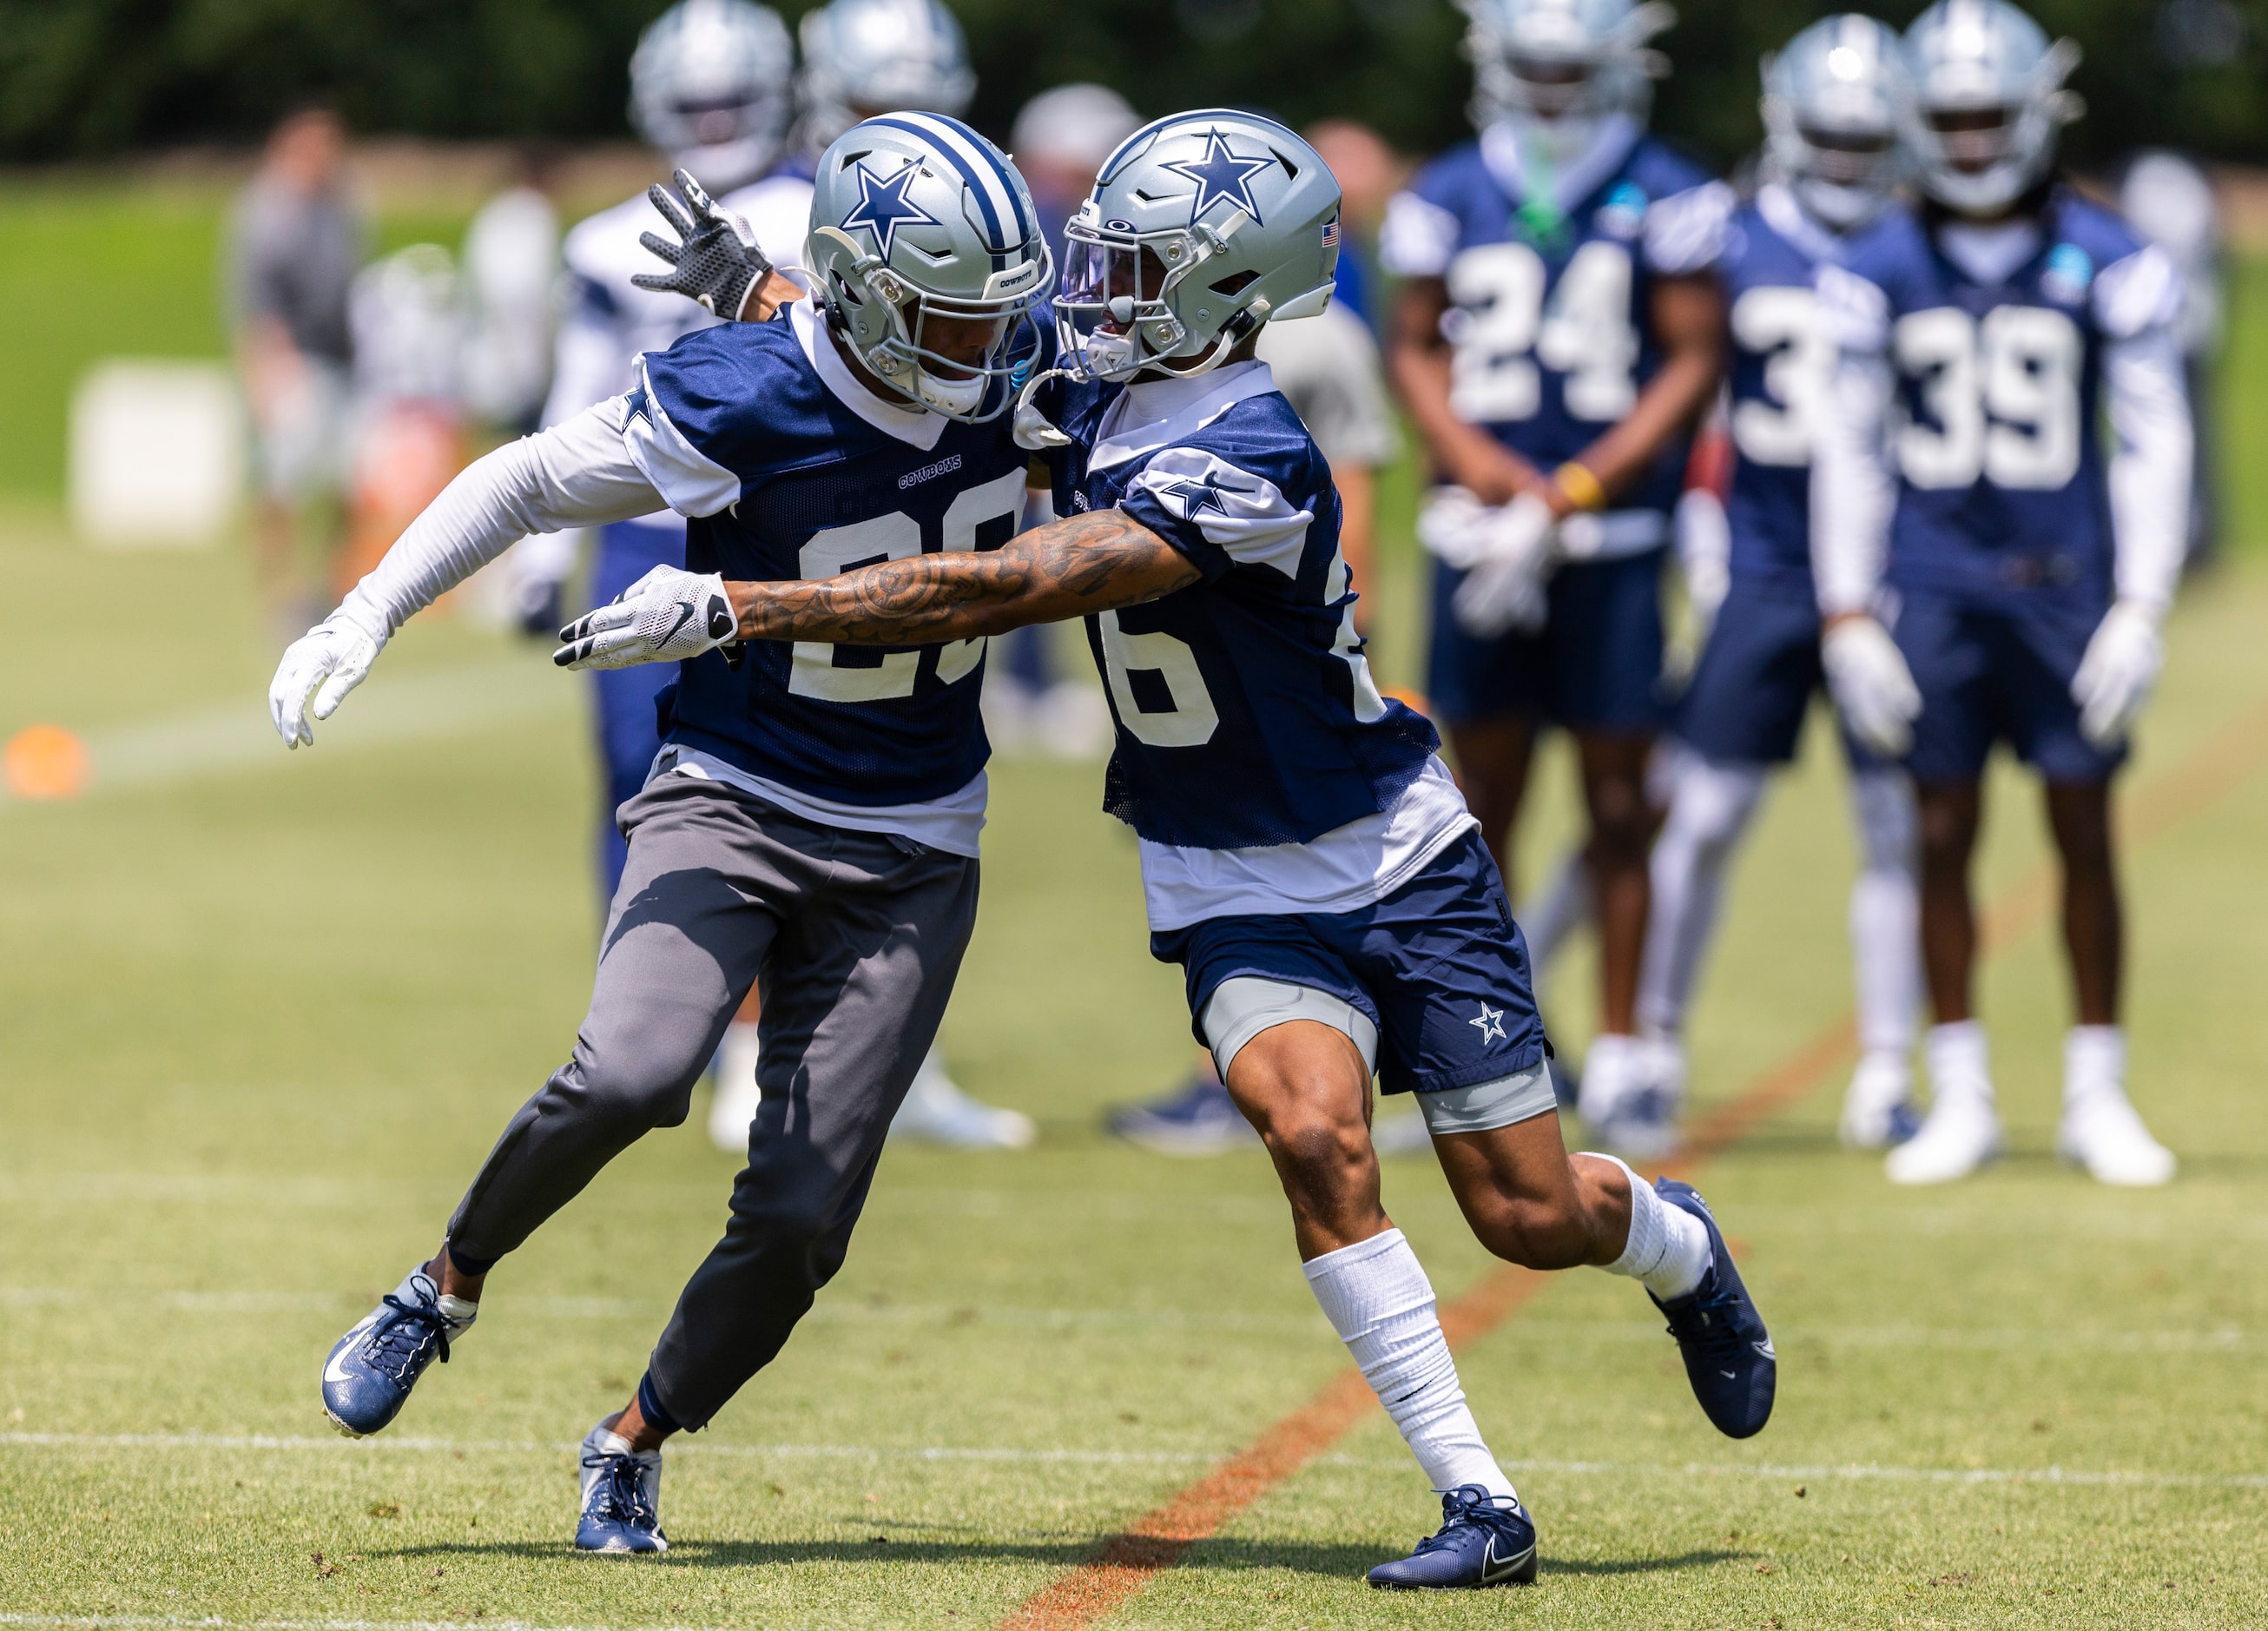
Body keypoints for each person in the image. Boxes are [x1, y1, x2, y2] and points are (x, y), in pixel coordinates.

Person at [602, 109, 1777, 1588]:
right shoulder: (1094, 377)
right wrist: (759, 296)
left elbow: (1004, 583)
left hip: (1396, 857)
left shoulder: (1252, 448)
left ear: (1230, 291)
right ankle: (1480, 1499)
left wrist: (747, 605)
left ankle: (1673, 1245)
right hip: (1223, 873)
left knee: (1530, 1213)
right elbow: (920, 359)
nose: (1095, 282)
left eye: (1138, 261)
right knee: (1312, 1133)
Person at [274, 114, 1050, 1553]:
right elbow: (522, 479)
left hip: (916, 840)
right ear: (874, 298)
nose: (991, 349)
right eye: (952, 314)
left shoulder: (1014, 359)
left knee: (803, 1213)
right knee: (631, 1069)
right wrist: (366, 606)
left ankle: (632, 1438)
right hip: (738, 792)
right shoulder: (741, 394)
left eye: (1002, 313)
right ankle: (439, 1284)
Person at [1810, 0, 2187, 1187]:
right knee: (1938, 829)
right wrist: (1848, 609)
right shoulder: (1877, 263)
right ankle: (1959, 1086)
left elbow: (2153, 440)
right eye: (1950, 119)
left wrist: (2143, 600)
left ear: (2034, 114)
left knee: (2083, 825)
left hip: (2061, 581)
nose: (1971, 142)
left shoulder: (2108, 254)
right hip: (1932, 579)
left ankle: (2095, 1089)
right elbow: (1849, 448)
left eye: (1989, 117)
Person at [1381, 0, 1729, 1154]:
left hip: (1608, 542)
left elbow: (1690, 358)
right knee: (1478, 808)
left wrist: (1571, 489)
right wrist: (1488, 477)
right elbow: (1414, 346)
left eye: (1570, 64)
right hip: (1478, 539)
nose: (1551, 85)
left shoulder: (1666, 188)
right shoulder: (1444, 191)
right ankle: (1494, 1043)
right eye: (1534, 63)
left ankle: (1627, 1050)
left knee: (1621, 800)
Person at [703, 0, 1038, 1150]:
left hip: (942, 513)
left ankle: (902, 1052)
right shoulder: (776, 208)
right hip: (794, 528)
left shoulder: (987, 208)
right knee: (769, 786)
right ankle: (752, 1048)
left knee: (915, 780)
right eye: (867, 106)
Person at [1627, 15, 1927, 1152]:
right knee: (1702, 812)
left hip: (1891, 574)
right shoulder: (1727, 235)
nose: (1848, 156)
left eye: (1867, 135)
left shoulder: (1919, 245)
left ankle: (1888, 1070)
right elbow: (1690, 392)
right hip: (1757, 552)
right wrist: (1699, 527)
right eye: (1829, 133)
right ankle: (1653, 1041)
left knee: (1892, 820)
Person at [1106, 121, 1407, 1158]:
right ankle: (1228, 1069)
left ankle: (1378, 1062)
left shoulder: (1318, 345)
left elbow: (1352, 483)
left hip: (1285, 624)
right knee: (1214, 840)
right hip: (1177, 629)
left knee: (1316, 841)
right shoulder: (1133, 339)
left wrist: (1341, 619)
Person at [228, 105, 366, 636]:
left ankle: (326, 591)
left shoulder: (340, 208)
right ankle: (277, 598)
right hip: (292, 360)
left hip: (339, 361)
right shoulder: (269, 211)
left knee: (343, 484)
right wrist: (265, 373)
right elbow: (256, 301)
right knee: (282, 486)